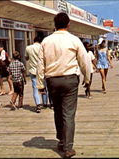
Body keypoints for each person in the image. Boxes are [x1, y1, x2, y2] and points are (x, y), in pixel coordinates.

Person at [36, 12, 91, 158]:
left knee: (58, 111)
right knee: (69, 114)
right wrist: (87, 79)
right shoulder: (74, 40)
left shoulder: (46, 41)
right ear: (68, 24)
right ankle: (67, 148)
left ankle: (61, 139)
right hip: (70, 80)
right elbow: (85, 60)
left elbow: (40, 64)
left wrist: (40, 84)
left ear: (54, 25)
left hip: (52, 80)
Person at [25, 36, 49, 113]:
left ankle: (38, 105)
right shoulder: (43, 47)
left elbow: (26, 58)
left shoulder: (28, 48)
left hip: (33, 71)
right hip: (42, 70)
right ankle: (45, 103)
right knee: (43, 86)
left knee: (35, 88)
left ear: (34, 40)